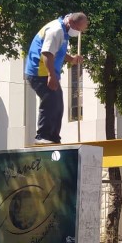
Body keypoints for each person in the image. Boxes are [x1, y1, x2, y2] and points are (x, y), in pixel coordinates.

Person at [25, 12, 89, 144]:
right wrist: (51, 76)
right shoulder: (56, 30)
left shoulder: (63, 30)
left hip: (45, 72)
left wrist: (71, 59)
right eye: (78, 29)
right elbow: (47, 53)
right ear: (71, 22)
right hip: (39, 72)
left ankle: (53, 137)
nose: (78, 32)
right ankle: (43, 136)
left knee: (58, 103)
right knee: (51, 101)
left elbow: (57, 50)